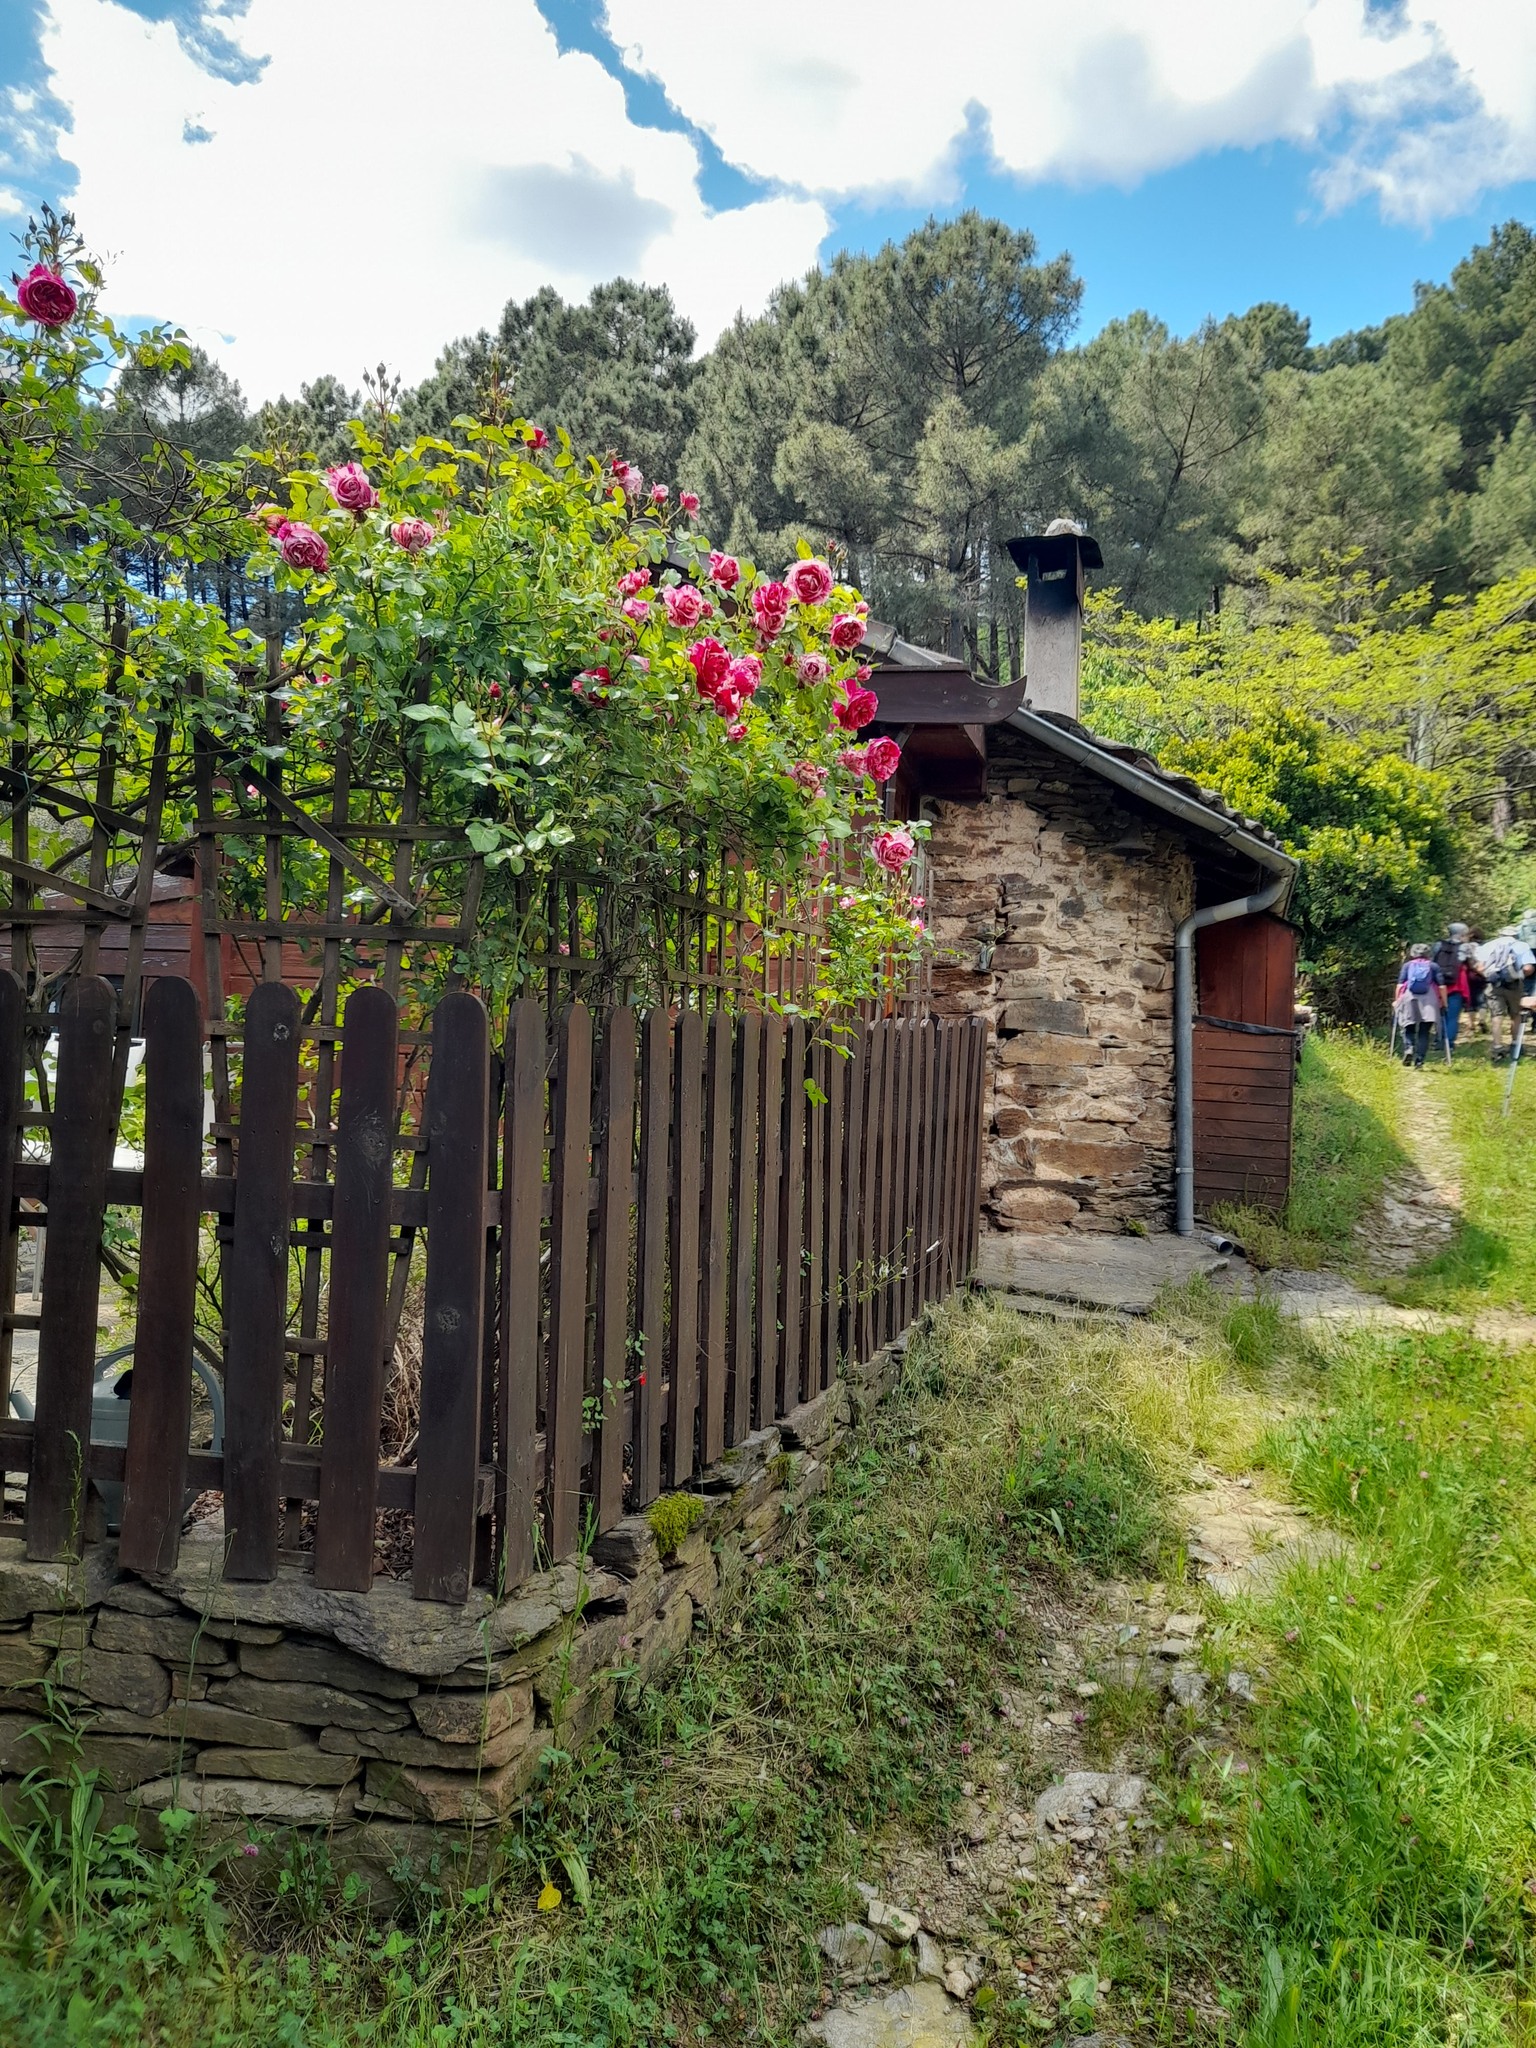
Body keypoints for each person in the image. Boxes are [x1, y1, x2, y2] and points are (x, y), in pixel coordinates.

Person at [1476, 926, 1536, 1062]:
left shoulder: (1489, 945)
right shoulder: (1522, 946)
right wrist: (1518, 975)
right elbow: (1528, 968)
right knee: (1516, 1014)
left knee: (1496, 1016)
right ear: (1516, 935)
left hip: (1493, 986)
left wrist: (1490, 976)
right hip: (1514, 985)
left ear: (1500, 934)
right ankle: (1515, 1045)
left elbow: (1480, 967)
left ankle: (1497, 1047)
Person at [1394, 943, 1443, 1068]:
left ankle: (1409, 1048)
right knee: (1424, 1032)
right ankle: (1419, 1060)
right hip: (1429, 1001)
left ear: (1412, 953)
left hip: (1409, 998)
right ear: (1428, 954)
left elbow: (1400, 985)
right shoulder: (1433, 966)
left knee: (1408, 1026)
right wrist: (1444, 1002)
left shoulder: (1407, 966)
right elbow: (1442, 986)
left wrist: (1397, 1001)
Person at [1433, 923, 1472, 1053]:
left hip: (1439, 985)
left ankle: (1439, 1041)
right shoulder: (1465, 947)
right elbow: (1472, 964)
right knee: (1453, 1017)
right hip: (1457, 986)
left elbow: (1432, 962)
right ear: (1462, 935)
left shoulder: (1438, 945)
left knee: (1440, 1015)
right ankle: (1449, 1043)